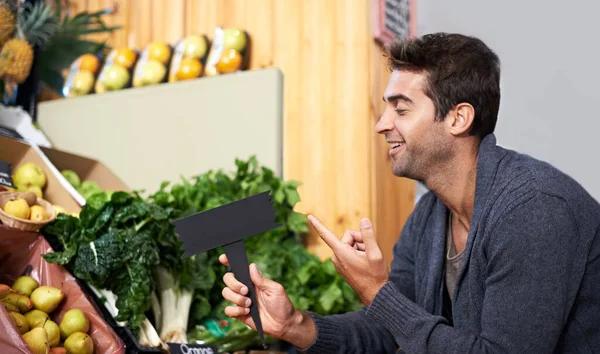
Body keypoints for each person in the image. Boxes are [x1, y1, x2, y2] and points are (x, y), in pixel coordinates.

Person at [218, 32, 600, 353]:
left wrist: (377, 291)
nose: (382, 125)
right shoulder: (431, 215)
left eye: (401, 109)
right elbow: (390, 327)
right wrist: (295, 324)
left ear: (458, 118)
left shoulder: (534, 210)